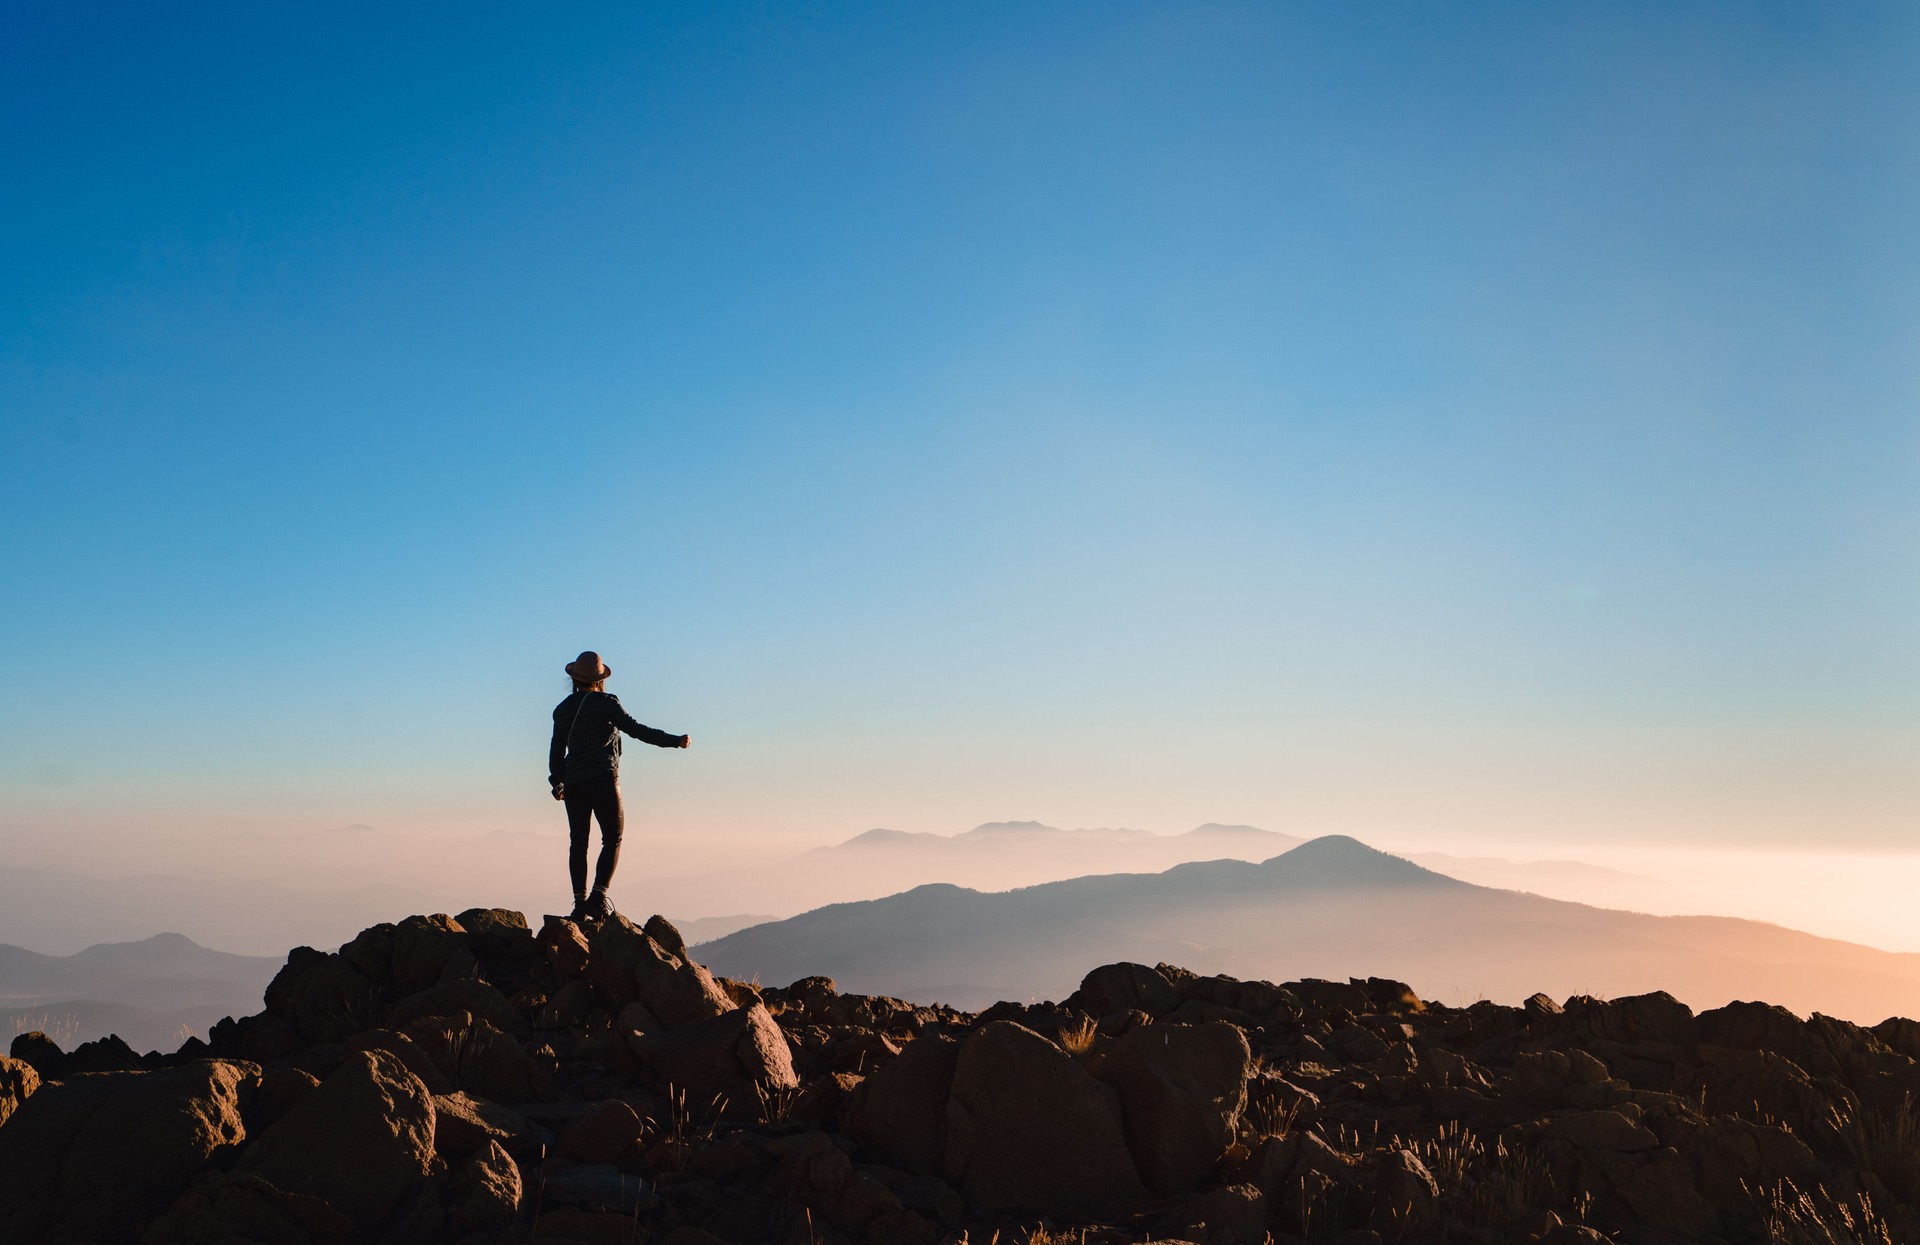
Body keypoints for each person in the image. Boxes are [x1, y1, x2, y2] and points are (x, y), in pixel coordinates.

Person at [549, 650, 689, 921]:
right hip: (603, 778)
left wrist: (557, 782)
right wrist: (675, 741)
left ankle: (579, 905)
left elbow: (556, 752)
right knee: (612, 837)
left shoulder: (562, 710)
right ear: (600, 680)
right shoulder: (606, 703)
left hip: (575, 784)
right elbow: (637, 730)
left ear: (575, 680)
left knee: (578, 843)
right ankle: (598, 897)